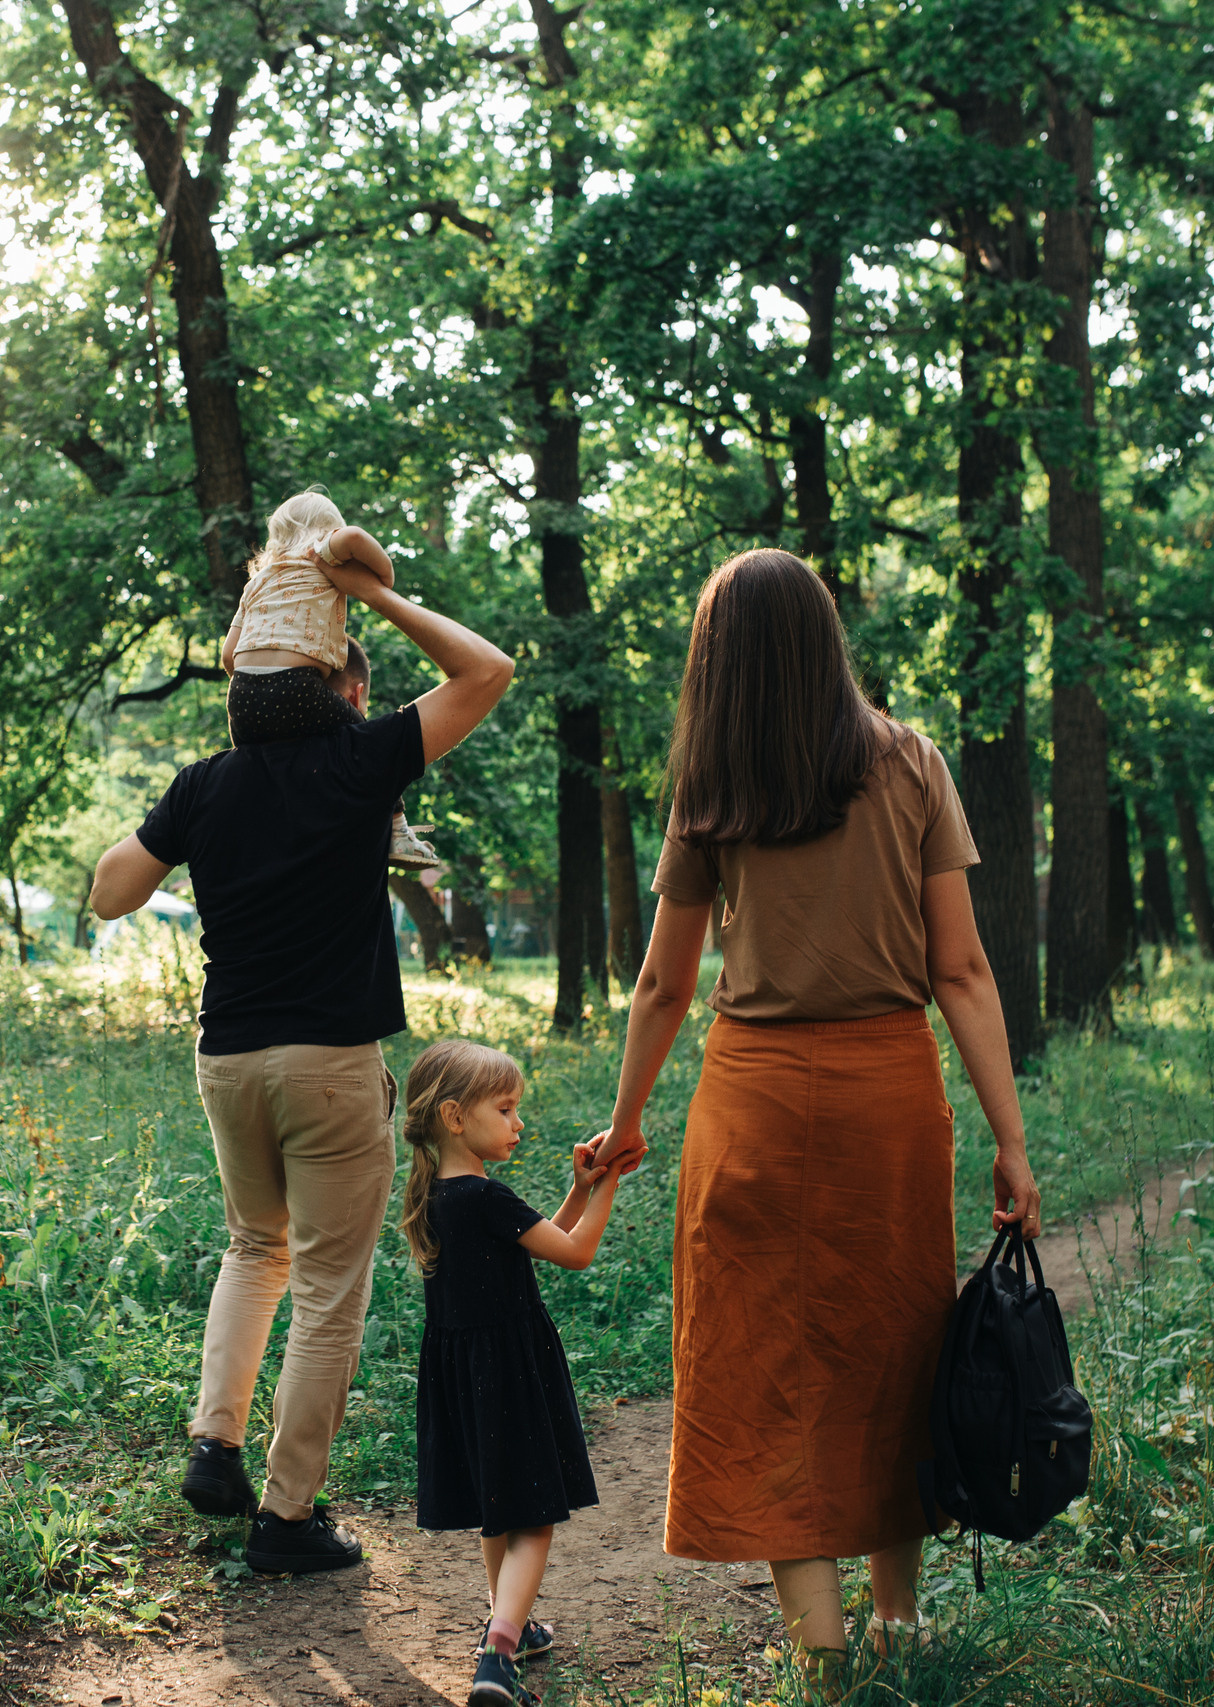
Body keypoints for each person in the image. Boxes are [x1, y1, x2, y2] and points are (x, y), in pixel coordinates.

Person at [588, 549, 1042, 1697]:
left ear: (719, 659)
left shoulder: (713, 786)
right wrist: (1010, 1138)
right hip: (887, 1103)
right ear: (825, 638)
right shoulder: (912, 762)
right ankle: (898, 1627)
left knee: (762, 1365)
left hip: (748, 1103)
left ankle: (821, 1656)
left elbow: (663, 985)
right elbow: (962, 969)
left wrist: (626, 1121)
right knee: (894, 1350)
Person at [88, 554, 513, 1575]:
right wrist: (373, 595)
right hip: (329, 1062)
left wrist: (181, 828)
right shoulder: (362, 760)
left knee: (253, 1247)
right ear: (331, 678)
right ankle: (286, 1518)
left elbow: (107, 893)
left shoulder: (203, 785)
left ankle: (215, 1442)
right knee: (326, 1288)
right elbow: (487, 671)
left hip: (228, 1059)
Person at [399, 1039, 619, 1707]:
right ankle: (497, 1655)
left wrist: (579, 1189)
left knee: (499, 1511)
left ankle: (512, 1627)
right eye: (505, 1108)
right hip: (510, 1372)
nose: (517, 1122)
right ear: (454, 1116)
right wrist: (609, 1182)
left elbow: (542, 1237)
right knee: (532, 1518)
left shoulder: (436, 1195)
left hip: (463, 1377)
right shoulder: (487, 1196)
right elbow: (575, 1252)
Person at [222, 490, 440, 869]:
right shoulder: (322, 552)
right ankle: (398, 830)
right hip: (296, 686)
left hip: (240, 700)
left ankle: (265, 833)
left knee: (263, 769)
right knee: (368, 745)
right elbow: (354, 537)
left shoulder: (255, 584)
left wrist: (258, 684)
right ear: (327, 529)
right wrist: (384, 576)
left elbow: (229, 656)